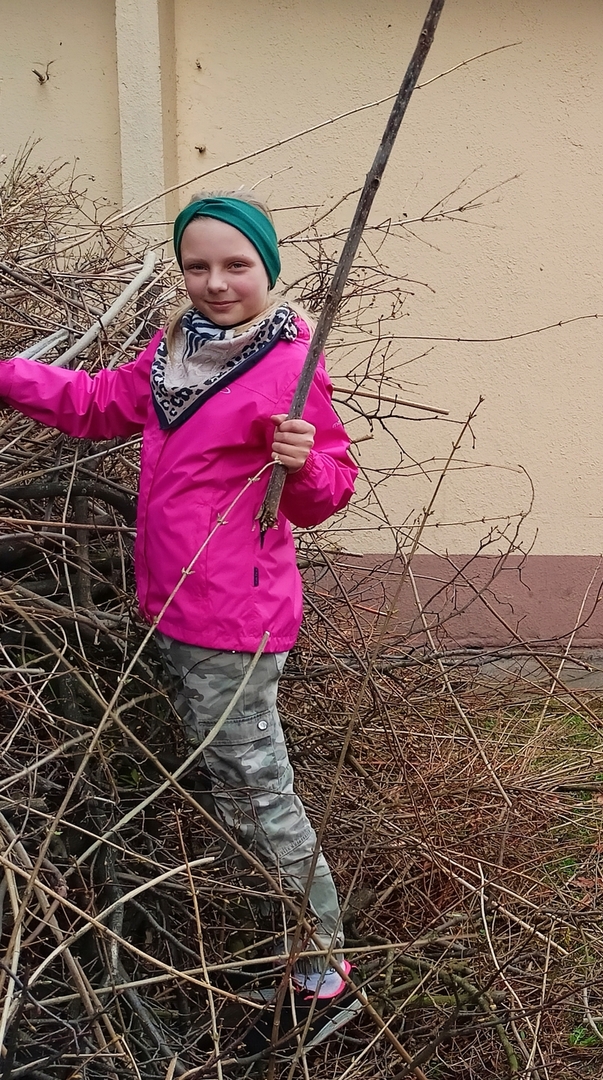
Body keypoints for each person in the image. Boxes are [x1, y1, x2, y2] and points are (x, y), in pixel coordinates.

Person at [0, 192, 358, 1000]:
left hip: (234, 617)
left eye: (236, 265)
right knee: (232, 784)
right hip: (172, 604)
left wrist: (303, 462)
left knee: (255, 790)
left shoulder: (289, 368)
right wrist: (9, 376)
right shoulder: (176, 351)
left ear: (267, 267)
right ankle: (279, 935)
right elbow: (97, 405)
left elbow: (327, 492)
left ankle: (320, 965)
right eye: (197, 266)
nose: (216, 282)